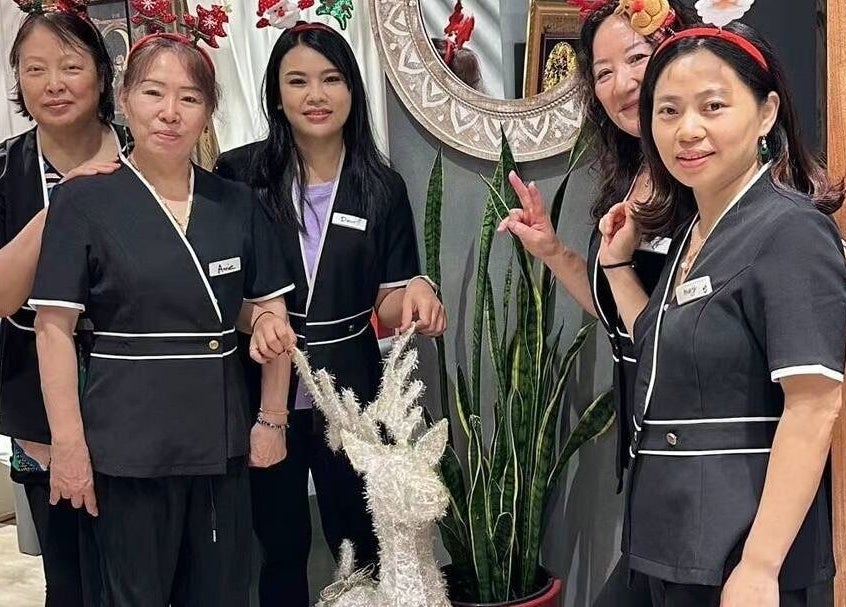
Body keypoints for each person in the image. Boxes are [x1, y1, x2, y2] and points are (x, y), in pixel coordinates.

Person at [28, 29, 297, 605]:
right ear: (124, 99)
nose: (170, 112)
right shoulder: (81, 201)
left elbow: (267, 312)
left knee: (222, 594)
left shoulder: (237, 203)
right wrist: (69, 446)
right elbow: (53, 332)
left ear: (208, 111)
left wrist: (272, 418)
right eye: (153, 93)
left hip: (219, 442)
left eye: (190, 98)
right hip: (125, 447)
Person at [597, 21, 845, 607]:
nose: (688, 129)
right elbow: (658, 347)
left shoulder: (791, 231)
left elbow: (815, 404)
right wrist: (616, 265)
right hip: (666, 536)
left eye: (713, 106)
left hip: (740, 549)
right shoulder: (696, 233)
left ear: (766, 114)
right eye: (668, 111)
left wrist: (759, 566)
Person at [214, 21, 446, 606]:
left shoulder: (381, 186)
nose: (315, 95)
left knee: (360, 540)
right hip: (260, 388)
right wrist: (257, 321)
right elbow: (219, 286)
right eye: (298, 81)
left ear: (352, 91)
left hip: (352, 392)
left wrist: (417, 292)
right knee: (278, 544)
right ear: (276, 94)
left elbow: (387, 301)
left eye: (331, 79)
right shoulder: (240, 176)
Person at [496, 1, 695, 604]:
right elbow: (618, 310)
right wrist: (553, 251)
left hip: (696, 448)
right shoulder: (631, 174)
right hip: (646, 445)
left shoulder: (702, 173)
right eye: (603, 72)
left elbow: (677, 333)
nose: (622, 83)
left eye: (637, 58)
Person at [0, 5, 131, 604]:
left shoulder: (145, 154)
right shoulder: (6, 170)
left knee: (148, 572)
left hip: (143, 399)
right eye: (35, 70)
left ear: (102, 74)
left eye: (71, 66)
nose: (53, 84)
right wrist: (65, 206)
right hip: (39, 412)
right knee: (71, 579)